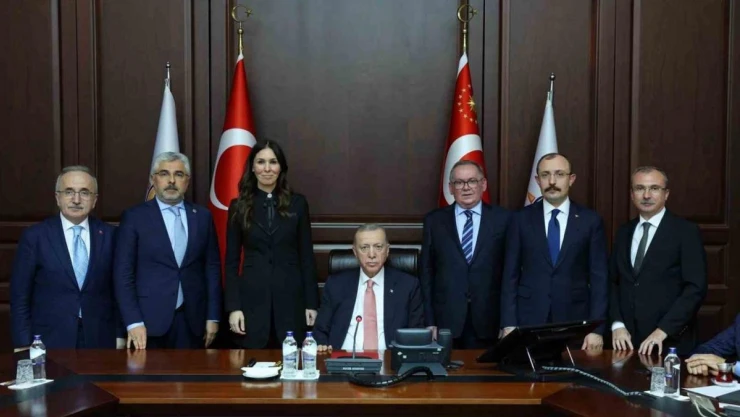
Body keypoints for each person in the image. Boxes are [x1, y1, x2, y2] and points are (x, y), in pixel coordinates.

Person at [500, 153, 608, 350]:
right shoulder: (520, 220)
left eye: (559, 174)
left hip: (575, 320)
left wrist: (596, 329)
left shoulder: (590, 221)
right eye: (545, 175)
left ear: (571, 179)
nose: (552, 181)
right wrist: (508, 323)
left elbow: (599, 278)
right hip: (529, 319)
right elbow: (510, 276)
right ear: (537, 180)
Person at [114, 152, 222, 349]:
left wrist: (213, 316)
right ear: (153, 179)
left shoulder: (202, 217)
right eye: (164, 173)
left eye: (179, 174)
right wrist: (133, 321)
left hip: (193, 321)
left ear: (187, 181)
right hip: (147, 323)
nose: (171, 180)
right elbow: (123, 274)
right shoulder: (134, 217)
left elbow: (212, 269)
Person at [11, 166, 124, 349]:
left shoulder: (112, 236)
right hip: (49, 339)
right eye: (69, 192)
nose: (76, 200)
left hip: (101, 338)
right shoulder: (35, 237)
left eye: (84, 193)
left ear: (94, 200)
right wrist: (23, 342)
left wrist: (120, 334)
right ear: (58, 198)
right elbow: (20, 296)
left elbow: (120, 290)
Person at [225, 140, 319, 348]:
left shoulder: (298, 204)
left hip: (291, 300)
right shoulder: (238, 206)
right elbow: (231, 263)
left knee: (291, 361)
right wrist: (234, 307)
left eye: (273, 162)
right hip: (251, 302)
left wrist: (311, 303)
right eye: (261, 162)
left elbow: (306, 257)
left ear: (281, 167)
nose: (267, 169)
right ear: (252, 167)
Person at [610, 166, 707, 355]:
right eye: (640, 188)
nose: (646, 195)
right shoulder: (624, 232)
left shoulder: (685, 232)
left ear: (666, 194)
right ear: (632, 194)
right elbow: (613, 281)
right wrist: (617, 324)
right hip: (626, 342)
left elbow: (695, 288)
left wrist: (663, 330)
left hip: (669, 341)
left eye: (654, 188)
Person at [420, 160, 511, 349]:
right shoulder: (434, 221)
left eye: (472, 181)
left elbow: (511, 273)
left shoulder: (504, 219)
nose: (466, 187)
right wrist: (429, 321)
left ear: (483, 184)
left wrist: (508, 321)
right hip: (446, 321)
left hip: (490, 320)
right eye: (459, 182)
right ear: (450, 188)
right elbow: (427, 274)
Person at [314, 224, 424, 351]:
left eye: (378, 247)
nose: (372, 254)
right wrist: (323, 348)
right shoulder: (336, 284)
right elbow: (320, 331)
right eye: (364, 248)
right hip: (342, 358)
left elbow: (416, 334)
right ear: (355, 252)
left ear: (387, 250)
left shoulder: (408, 285)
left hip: (389, 359)